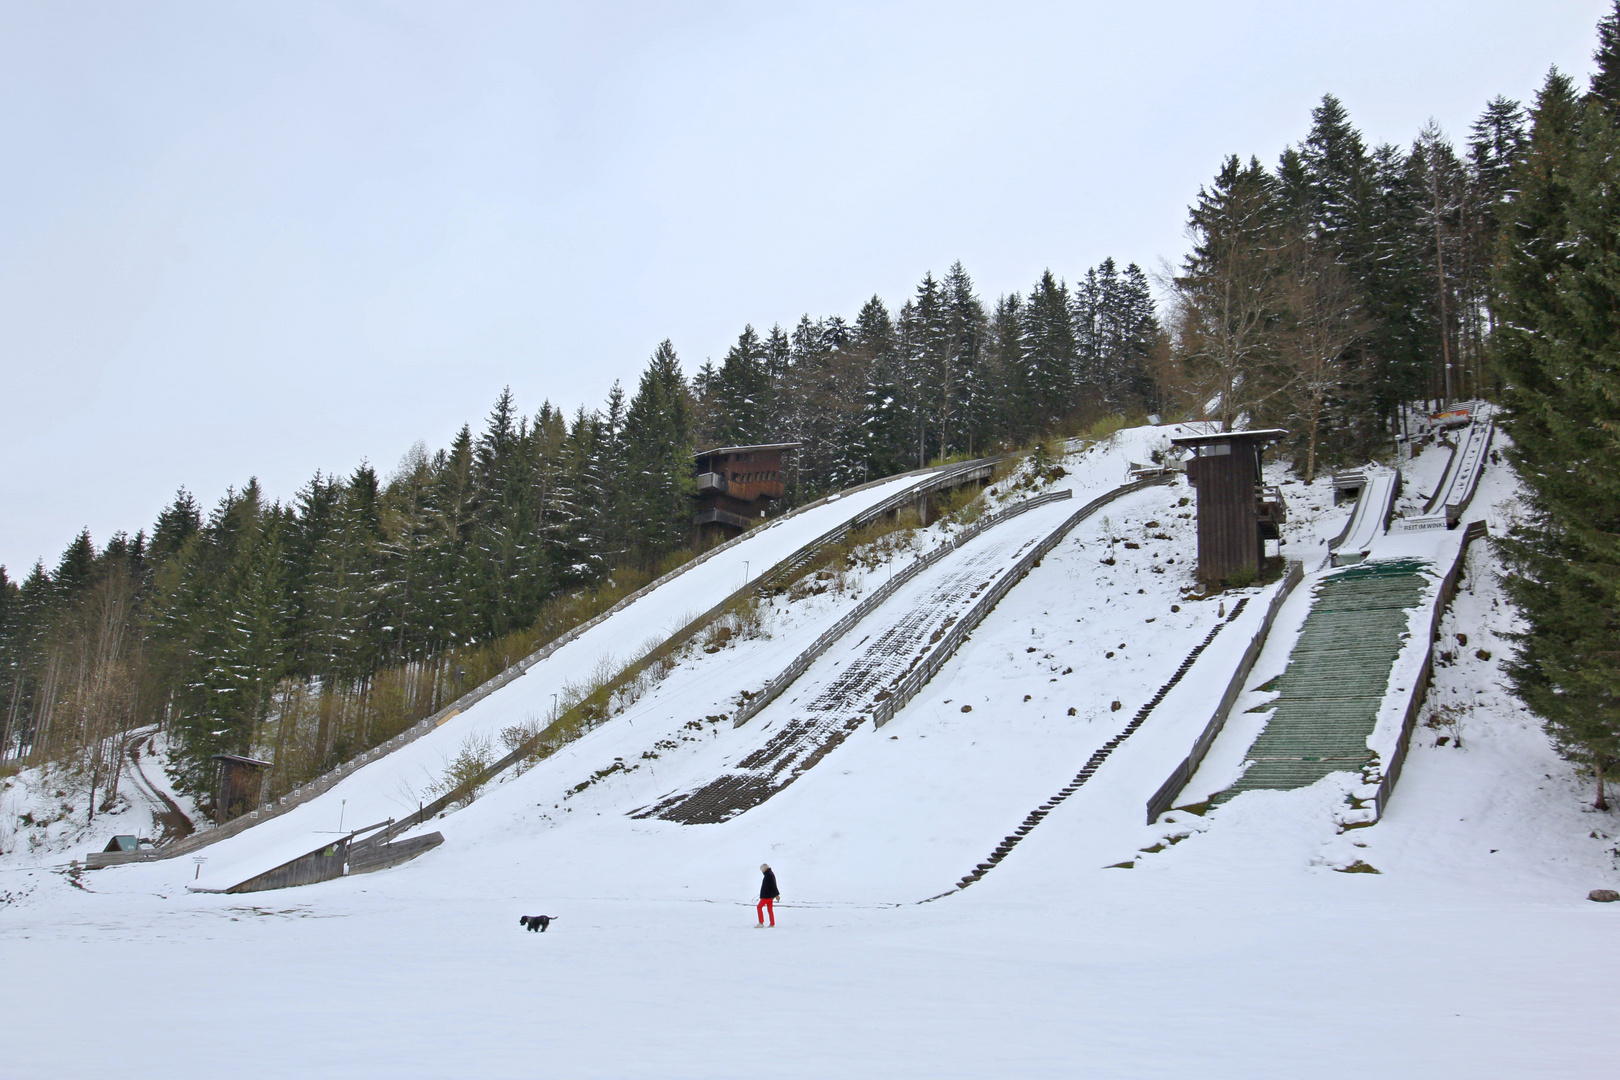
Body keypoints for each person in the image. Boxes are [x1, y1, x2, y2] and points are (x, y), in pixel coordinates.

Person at [756, 863, 779, 927]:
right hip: (770, 895)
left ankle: (761, 923)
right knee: (770, 909)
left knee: (759, 907)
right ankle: (772, 923)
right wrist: (776, 894)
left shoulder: (768, 875)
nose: (762, 871)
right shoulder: (770, 874)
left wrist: (777, 894)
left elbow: (773, 885)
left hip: (767, 896)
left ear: (765, 869)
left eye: (762, 870)